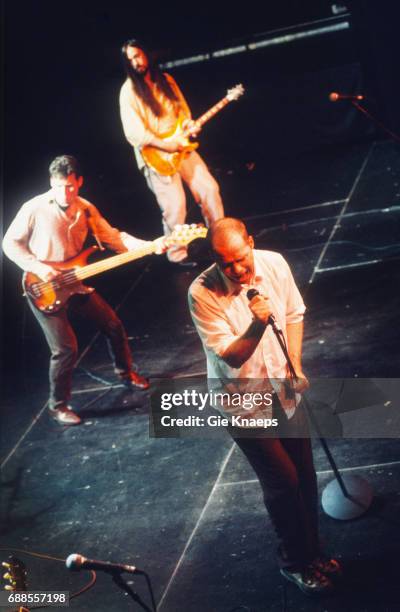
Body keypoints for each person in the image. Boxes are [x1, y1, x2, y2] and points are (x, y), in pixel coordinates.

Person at [188, 217, 341, 595]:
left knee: (304, 475)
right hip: (242, 399)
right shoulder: (201, 293)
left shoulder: (273, 263)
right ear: (214, 261)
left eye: (242, 258)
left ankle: (314, 553)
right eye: (227, 263)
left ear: (251, 243)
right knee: (283, 482)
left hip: (282, 384)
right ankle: (294, 562)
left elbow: (292, 315)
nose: (238, 269)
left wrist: (298, 366)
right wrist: (256, 325)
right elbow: (233, 356)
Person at [2, 155, 151, 426]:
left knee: (113, 325)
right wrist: (37, 266)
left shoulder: (86, 209)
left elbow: (114, 238)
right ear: (51, 183)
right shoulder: (33, 208)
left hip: (74, 280)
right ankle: (57, 406)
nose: (65, 193)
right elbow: (10, 244)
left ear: (79, 182)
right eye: (59, 186)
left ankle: (126, 373)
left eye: (70, 186)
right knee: (66, 349)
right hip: (42, 287)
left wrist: (151, 245)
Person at [119, 39, 224, 264]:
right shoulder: (128, 92)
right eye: (130, 60)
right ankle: (177, 254)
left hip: (181, 147)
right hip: (156, 156)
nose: (136, 62)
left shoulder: (165, 80)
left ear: (146, 54)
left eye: (138, 55)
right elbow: (135, 134)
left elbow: (182, 111)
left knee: (209, 189)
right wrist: (167, 145)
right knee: (175, 206)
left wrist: (187, 125)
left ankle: (220, 238)